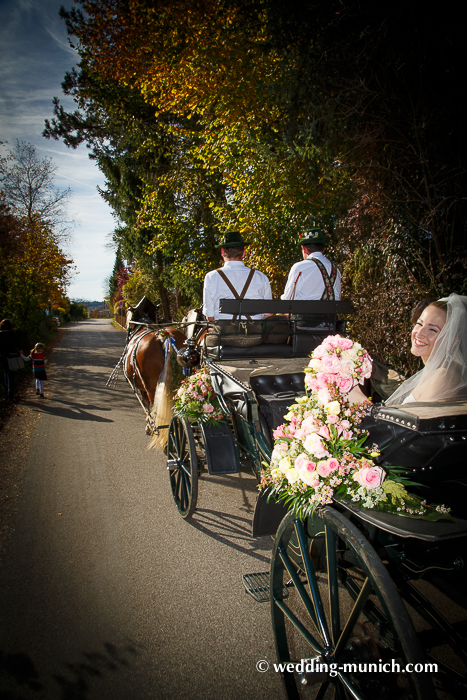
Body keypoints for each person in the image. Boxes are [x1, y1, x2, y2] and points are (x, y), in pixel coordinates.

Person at [350, 294, 467, 406]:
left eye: (432, 330)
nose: (419, 333)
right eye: (420, 324)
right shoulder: (440, 370)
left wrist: (354, 393)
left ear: (452, 341)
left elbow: (407, 425)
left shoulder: (443, 376)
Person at [203, 231, 272, 346]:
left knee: (201, 344)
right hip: (255, 337)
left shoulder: (211, 277)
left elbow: (210, 317)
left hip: (224, 337)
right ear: (244, 253)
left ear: (222, 252)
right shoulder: (261, 277)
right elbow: (267, 315)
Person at [281, 228, 341, 302]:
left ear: (304, 248)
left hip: (303, 313)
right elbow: (337, 298)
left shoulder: (299, 268)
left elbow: (287, 299)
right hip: (330, 313)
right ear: (323, 248)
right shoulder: (335, 270)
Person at [0, 319, 24, 402]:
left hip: (2, 357)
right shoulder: (13, 334)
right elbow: (18, 344)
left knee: (6, 373)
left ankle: (8, 392)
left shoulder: (0, 334)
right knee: (11, 375)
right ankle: (11, 395)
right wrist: (21, 352)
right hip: (12, 356)